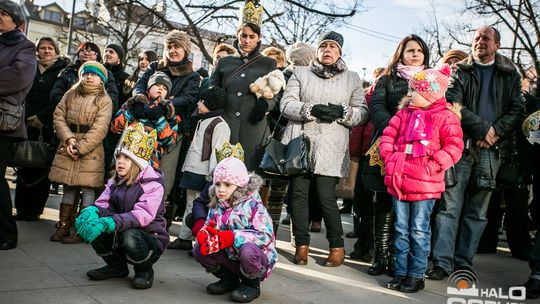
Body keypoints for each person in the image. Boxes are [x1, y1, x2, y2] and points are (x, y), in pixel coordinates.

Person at [428, 26, 526, 280]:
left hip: (492, 151)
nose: (480, 42)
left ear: (497, 45)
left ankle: (463, 262)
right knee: (449, 207)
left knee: (478, 212)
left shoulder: (510, 73)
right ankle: (441, 262)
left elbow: (517, 110)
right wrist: (484, 129)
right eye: (476, 38)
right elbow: (453, 104)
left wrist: (495, 132)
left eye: (486, 38)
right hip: (460, 147)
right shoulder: (460, 70)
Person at [280, 30, 369, 267]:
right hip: (301, 142)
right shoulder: (300, 73)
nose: (327, 50)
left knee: (326, 198)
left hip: (331, 145)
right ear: (317, 51)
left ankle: (336, 246)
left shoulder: (351, 78)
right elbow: (286, 104)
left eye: (332, 47)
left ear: (339, 51)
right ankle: (301, 245)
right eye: (323, 46)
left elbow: (362, 112)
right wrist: (311, 110)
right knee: (298, 196)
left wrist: (344, 113)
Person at [380, 65, 464, 292]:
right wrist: (390, 157)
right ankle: (400, 271)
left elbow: (454, 146)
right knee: (400, 229)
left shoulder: (445, 117)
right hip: (400, 179)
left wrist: (433, 165)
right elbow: (388, 135)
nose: (410, 95)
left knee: (418, 229)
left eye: (415, 91)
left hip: (425, 184)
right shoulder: (403, 114)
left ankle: (416, 274)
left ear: (430, 94)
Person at [75, 123, 168, 290]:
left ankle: (144, 270)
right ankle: (116, 267)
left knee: (129, 235)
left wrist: (110, 222)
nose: (120, 162)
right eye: (118, 157)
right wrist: (93, 211)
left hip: (149, 238)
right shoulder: (115, 181)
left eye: (126, 158)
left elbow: (142, 215)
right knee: (93, 225)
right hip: (120, 228)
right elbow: (103, 204)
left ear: (137, 162)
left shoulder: (153, 185)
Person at [368, 34, 430, 276]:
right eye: (410, 50)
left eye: (419, 51)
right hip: (389, 144)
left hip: (417, 151)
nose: (415, 54)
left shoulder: (432, 80)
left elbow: (435, 110)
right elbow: (376, 107)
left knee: (407, 206)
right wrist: (395, 129)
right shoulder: (387, 80)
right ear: (401, 54)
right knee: (384, 201)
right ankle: (380, 256)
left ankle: (398, 258)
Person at [193, 157, 276, 303]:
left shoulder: (254, 205)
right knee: (200, 249)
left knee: (248, 250)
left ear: (239, 185)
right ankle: (229, 279)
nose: (221, 189)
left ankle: (251, 284)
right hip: (231, 257)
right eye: (217, 184)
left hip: (255, 259)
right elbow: (210, 225)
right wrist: (206, 233)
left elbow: (265, 235)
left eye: (227, 184)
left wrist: (232, 237)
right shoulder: (217, 204)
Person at [133, 29, 200, 209]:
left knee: (164, 176)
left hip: (171, 131)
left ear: (185, 49)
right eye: (169, 46)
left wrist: (165, 105)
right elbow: (140, 84)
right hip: (145, 126)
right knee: (137, 170)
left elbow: (188, 98)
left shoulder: (192, 76)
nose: (172, 50)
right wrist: (140, 99)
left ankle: (158, 217)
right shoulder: (155, 66)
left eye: (177, 46)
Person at [48, 61, 113, 243]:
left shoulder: (104, 100)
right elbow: (58, 115)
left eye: (94, 75)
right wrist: (68, 139)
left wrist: (81, 147)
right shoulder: (71, 93)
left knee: (88, 189)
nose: (89, 77)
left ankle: (82, 229)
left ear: (102, 80)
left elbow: (100, 128)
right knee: (68, 186)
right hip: (69, 143)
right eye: (86, 73)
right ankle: (63, 225)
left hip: (90, 149)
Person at [168, 87, 230, 250]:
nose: (198, 103)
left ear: (210, 104)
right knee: (190, 203)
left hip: (205, 173)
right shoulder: (202, 120)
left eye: (201, 101)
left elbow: (217, 152)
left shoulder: (220, 124)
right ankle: (184, 237)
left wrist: (213, 177)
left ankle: (201, 241)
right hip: (193, 169)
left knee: (204, 208)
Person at [14, 37, 68, 222]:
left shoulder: (62, 70)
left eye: (50, 48)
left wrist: (42, 118)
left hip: (49, 125)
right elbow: (22, 92)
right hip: (26, 122)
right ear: (37, 50)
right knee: (23, 165)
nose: (46, 51)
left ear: (56, 51)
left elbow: (59, 99)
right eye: (42, 48)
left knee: (42, 168)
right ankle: (21, 209)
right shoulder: (30, 66)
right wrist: (29, 116)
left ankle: (35, 210)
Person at [0, 0, 37, 250]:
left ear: (16, 19)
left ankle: (7, 233)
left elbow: (18, 77)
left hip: (4, 122)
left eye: (3, 14)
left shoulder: (25, 47)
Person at [347, 67, 385, 261]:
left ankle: (381, 249)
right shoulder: (367, 97)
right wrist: (354, 151)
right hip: (365, 154)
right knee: (361, 201)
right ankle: (363, 244)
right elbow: (358, 127)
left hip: (387, 155)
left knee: (382, 206)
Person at [111, 71, 179, 169]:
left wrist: (159, 119)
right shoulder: (133, 103)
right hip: (125, 153)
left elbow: (170, 140)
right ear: (148, 88)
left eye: (165, 88)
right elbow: (114, 127)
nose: (161, 88)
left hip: (149, 161)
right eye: (157, 85)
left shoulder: (169, 112)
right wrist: (131, 113)